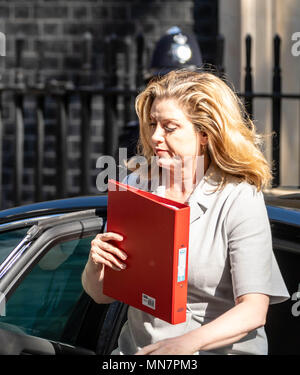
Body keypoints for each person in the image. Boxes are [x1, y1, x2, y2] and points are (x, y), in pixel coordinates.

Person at [82, 69, 290, 355]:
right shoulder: (136, 183)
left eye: (170, 127)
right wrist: (96, 262)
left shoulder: (239, 197)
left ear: (204, 133)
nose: (156, 136)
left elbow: (253, 311)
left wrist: (186, 344)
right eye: (153, 123)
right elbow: (100, 293)